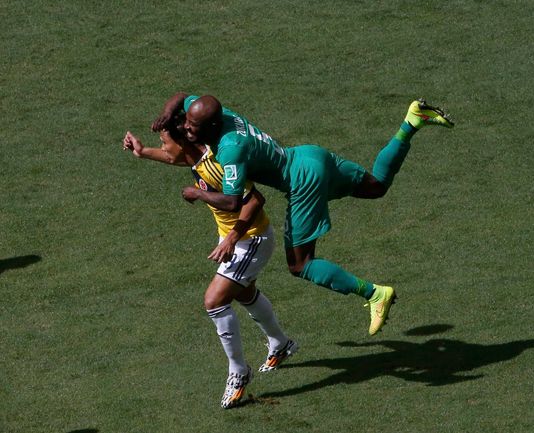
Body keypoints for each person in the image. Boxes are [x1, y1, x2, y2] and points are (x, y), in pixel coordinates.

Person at [152, 92, 453, 338]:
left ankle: (374, 293)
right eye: (187, 122)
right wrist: (168, 113)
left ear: (213, 127)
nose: (188, 129)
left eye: (193, 127)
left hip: (302, 180)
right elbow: (182, 96)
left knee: (300, 264)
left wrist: (197, 193)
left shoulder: (231, 149)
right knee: (376, 187)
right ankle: (412, 122)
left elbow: (233, 202)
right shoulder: (217, 114)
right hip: (309, 155)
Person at [123, 122, 297, 410]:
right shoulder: (194, 156)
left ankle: (238, 371)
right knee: (242, 292)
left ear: (184, 143)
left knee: (214, 300)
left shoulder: (215, 164)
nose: (165, 148)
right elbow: (172, 157)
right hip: (237, 238)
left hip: (249, 238)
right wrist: (142, 152)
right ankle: (281, 343)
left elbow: (255, 199)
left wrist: (228, 235)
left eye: (166, 141)